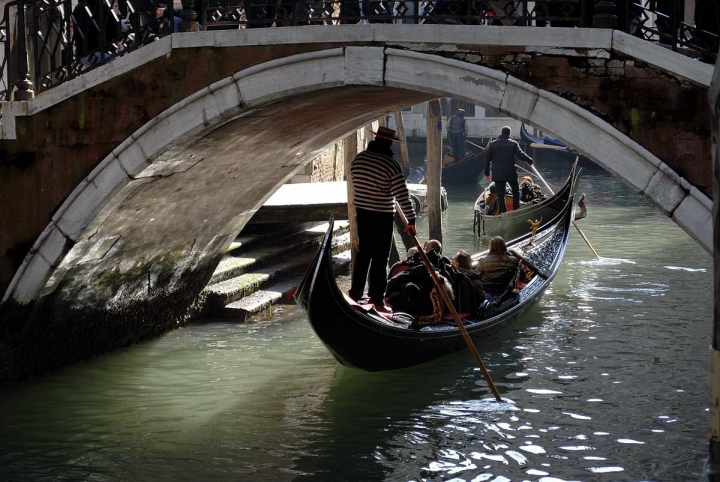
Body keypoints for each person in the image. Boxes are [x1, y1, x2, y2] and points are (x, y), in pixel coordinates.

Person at [349, 126, 417, 309]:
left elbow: (355, 176)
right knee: (380, 257)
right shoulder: (390, 164)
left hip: (362, 213)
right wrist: (411, 221)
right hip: (382, 215)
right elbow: (402, 195)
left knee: (364, 254)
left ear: (375, 139)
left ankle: (355, 293)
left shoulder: (359, 159)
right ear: (388, 143)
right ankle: (376, 298)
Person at [484, 125, 534, 214]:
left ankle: (503, 212)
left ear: (501, 133)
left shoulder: (492, 144)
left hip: (498, 173)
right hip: (510, 172)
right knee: (516, 191)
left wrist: (487, 173)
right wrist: (529, 160)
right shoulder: (513, 143)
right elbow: (520, 154)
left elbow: (487, 160)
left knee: (500, 194)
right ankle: (516, 210)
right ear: (509, 134)